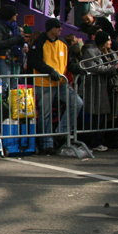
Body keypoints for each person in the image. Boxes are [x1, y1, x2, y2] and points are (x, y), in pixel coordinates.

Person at [27, 18, 84, 154]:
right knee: (44, 114)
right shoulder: (39, 43)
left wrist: (78, 69)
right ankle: (47, 144)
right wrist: (50, 71)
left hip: (61, 83)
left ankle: (61, 132)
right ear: (50, 28)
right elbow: (35, 61)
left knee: (77, 103)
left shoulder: (63, 43)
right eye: (57, 27)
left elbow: (69, 62)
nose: (60, 29)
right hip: (44, 83)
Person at [79, 31, 118, 151]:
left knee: (105, 116)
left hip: (109, 87)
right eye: (108, 40)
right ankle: (93, 142)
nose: (110, 42)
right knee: (97, 116)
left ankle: (100, 140)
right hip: (96, 88)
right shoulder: (91, 52)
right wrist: (113, 68)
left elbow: (115, 65)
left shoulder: (111, 53)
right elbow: (94, 67)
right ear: (103, 42)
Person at [0, 5, 26, 99]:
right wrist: (14, 40)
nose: (16, 15)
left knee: (14, 86)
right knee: (4, 85)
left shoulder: (16, 27)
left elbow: (19, 40)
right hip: (3, 59)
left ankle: (13, 107)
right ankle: (2, 108)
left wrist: (22, 41)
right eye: (14, 13)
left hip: (16, 59)